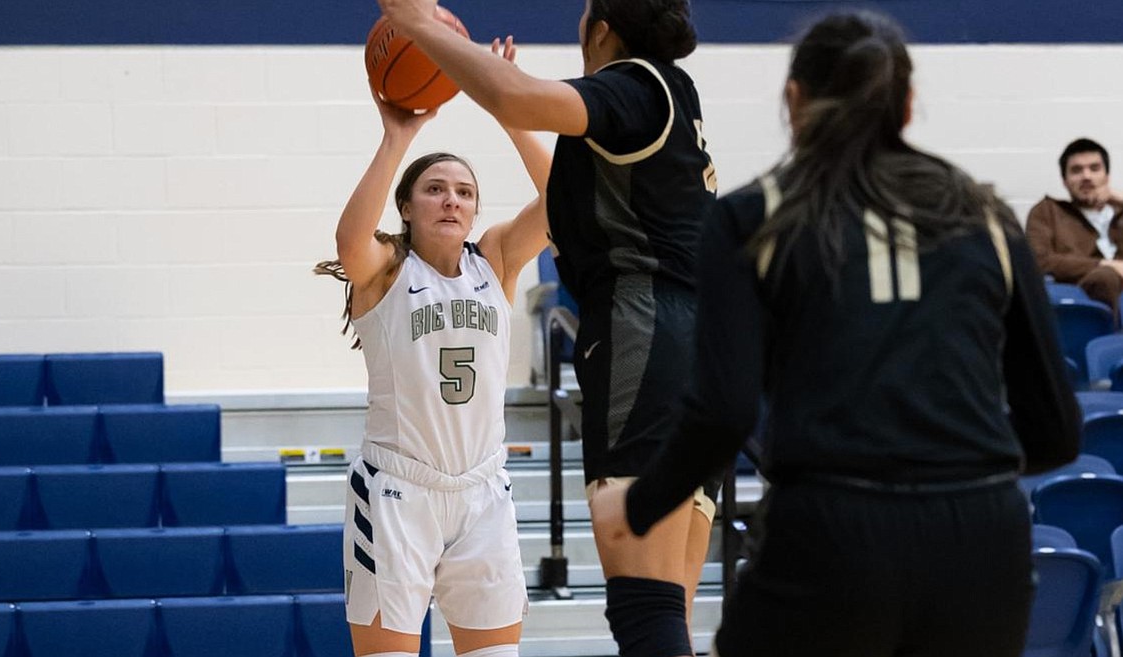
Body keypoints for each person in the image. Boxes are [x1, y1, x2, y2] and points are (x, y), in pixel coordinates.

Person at [591, 11, 1081, 657]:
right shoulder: (989, 216)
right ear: (906, 106)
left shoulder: (752, 214)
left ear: (793, 100)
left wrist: (642, 503)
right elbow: (1057, 430)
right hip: (982, 534)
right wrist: (952, 466)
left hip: (831, 524)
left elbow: (724, 411)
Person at [374, 2, 719, 656]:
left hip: (646, 337)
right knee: (667, 606)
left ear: (602, 31)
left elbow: (511, 95)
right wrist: (515, 118)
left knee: (645, 605)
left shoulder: (635, 84)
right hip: (701, 348)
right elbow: (555, 186)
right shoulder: (664, 105)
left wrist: (416, 21)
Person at [316, 39, 551, 657]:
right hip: (397, 492)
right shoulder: (385, 272)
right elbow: (349, 240)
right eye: (436, 189)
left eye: (465, 192)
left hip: (482, 493)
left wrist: (510, 111)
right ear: (408, 207)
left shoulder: (495, 260)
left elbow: (566, 203)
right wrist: (397, 137)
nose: (452, 199)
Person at [1026, 138, 1123, 312]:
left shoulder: (1119, 210)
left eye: (1094, 168)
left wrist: (1119, 197)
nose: (1086, 176)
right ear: (1065, 180)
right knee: (1105, 277)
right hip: (1083, 293)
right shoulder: (1048, 212)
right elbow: (1038, 260)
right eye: (1077, 170)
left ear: (1107, 176)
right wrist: (1106, 264)